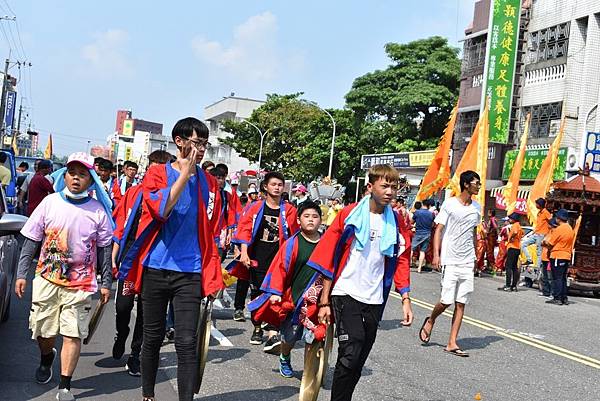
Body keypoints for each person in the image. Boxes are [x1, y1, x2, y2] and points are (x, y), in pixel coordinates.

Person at [117, 118, 223, 401]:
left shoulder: (210, 184)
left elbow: (212, 230)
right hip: (155, 267)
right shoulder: (157, 173)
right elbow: (161, 209)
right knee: (152, 338)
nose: (200, 149)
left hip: (190, 272)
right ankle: (148, 395)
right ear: (179, 141)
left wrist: (214, 274)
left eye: (204, 144)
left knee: (187, 343)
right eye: (195, 142)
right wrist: (184, 174)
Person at [308, 164, 412, 401]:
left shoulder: (396, 222)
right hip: (345, 291)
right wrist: (324, 300)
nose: (390, 192)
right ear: (370, 186)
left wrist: (405, 297)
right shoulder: (349, 214)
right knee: (350, 354)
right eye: (384, 185)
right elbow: (328, 258)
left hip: (375, 297)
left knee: (358, 359)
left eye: (394, 187)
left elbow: (402, 259)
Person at [14, 152, 114, 401]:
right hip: (47, 279)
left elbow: (103, 249)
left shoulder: (98, 212)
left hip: (80, 285)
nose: (76, 178)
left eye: (82, 174)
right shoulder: (49, 203)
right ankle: (47, 357)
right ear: (65, 175)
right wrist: (21, 273)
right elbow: (32, 240)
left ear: (91, 180)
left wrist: (106, 282)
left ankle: (65, 385)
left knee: (72, 334)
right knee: (44, 334)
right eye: (72, 173)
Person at [111, 150, 172, 376]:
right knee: (123, 306)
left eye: (161, 167)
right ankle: (121, 332)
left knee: (147, 312)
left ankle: (136, 354)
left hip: (154, 262)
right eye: (153, 166)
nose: (156, 171)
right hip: (130, 258)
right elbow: (120, 225)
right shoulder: (134, 193)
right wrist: (114, 253)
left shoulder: (172, 197)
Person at [247, 201, 322, 378]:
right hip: (294, 298)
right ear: (298, 219)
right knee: (291, 336)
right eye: (306, 216)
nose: (311, 220)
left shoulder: (326, 243)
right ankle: (285, 356)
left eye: (315, 216)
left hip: (318, 298)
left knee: (316, 335)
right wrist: (275, 292)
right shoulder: (292, 243)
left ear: (321, 220)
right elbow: (280, 268)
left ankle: (311, 373)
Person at [230, 171, 299, 352]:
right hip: (258, 257)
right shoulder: (255, 207)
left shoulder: (289, 210)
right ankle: (257, 326)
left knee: (276, 293)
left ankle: (273, 329)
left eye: (280, 185)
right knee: (258, 293)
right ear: (265, 187)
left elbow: (294, 235)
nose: (277, 188)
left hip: (279, 260)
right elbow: (244, 229)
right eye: (273, 184)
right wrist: (244, 252)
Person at [419, 170, 481, 357]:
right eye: (476, 183)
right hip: (450, 259)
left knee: (461, 302)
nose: (478, 186)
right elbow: (438, 230)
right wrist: (436, 255)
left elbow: (474, 233)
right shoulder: (450, 204)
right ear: (466, 184)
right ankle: (431, 319)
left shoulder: (476, 207)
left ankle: (452, 342)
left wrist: (477, 256)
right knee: (446, 301)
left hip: (467, 260)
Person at [543, 209, 575, 305]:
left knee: (557, 278)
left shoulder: (559, 229)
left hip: (557, 254)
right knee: (563, 278)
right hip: (566, 255)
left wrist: (544, 244)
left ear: (559, 219)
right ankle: (563, 297)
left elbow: (550, 243)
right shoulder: (570, 229)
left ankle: (557, 297)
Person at [522, 198, 551, 265]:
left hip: (541, 234)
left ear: (540, 204)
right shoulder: (539, 213)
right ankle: (529, 259)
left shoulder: (546, 212)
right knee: (523, 244)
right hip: (536, 233)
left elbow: (551, 221)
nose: (536, 205)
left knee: (539, 252)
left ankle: (537, 268)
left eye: (537, 204)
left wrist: (548, 233)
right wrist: (533, 232)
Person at [499, 212, 523, 292]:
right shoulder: (519, 225)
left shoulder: (515, 225)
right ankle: (513, 286)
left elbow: (515, 232)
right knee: (514, 267)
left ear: (514, 219)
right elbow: (521, 234)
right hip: (517, 248)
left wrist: (512, 237)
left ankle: (508, 285)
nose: (509, 220)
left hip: (512, 247)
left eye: (510, 218)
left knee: (508, 266)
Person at [411, 200, 434, 273]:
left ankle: (408, 263)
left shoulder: (417, 212)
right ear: (429, 205)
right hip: (427, 234)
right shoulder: (431, 214)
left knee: (411, 249)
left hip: (418, 233)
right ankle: (419, 268)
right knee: (422, 251)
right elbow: (432, 224)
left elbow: (411, 222)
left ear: (422, 204)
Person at [539, 218, 558, 299]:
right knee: (544, 276)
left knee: (550, 277)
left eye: (549, 224)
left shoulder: (555, 233)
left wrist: (545, 243)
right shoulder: (548, 232)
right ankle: (545, 291)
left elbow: (551, 244)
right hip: (544, 257)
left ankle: (552, 293)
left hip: (549, 258)